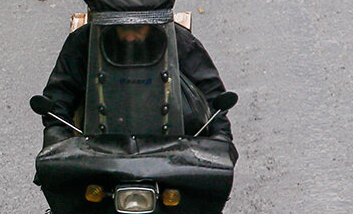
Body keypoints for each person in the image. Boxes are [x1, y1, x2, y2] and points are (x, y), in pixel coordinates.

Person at [40, 21, 233, 146]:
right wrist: (57, 135)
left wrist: (220, 137)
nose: (130, 37)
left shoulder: (178, 40)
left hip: (170, 146)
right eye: (124, 29)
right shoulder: (85, 41)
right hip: (101, 147)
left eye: (138, 29)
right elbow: (59, 93)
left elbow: (211, 94)